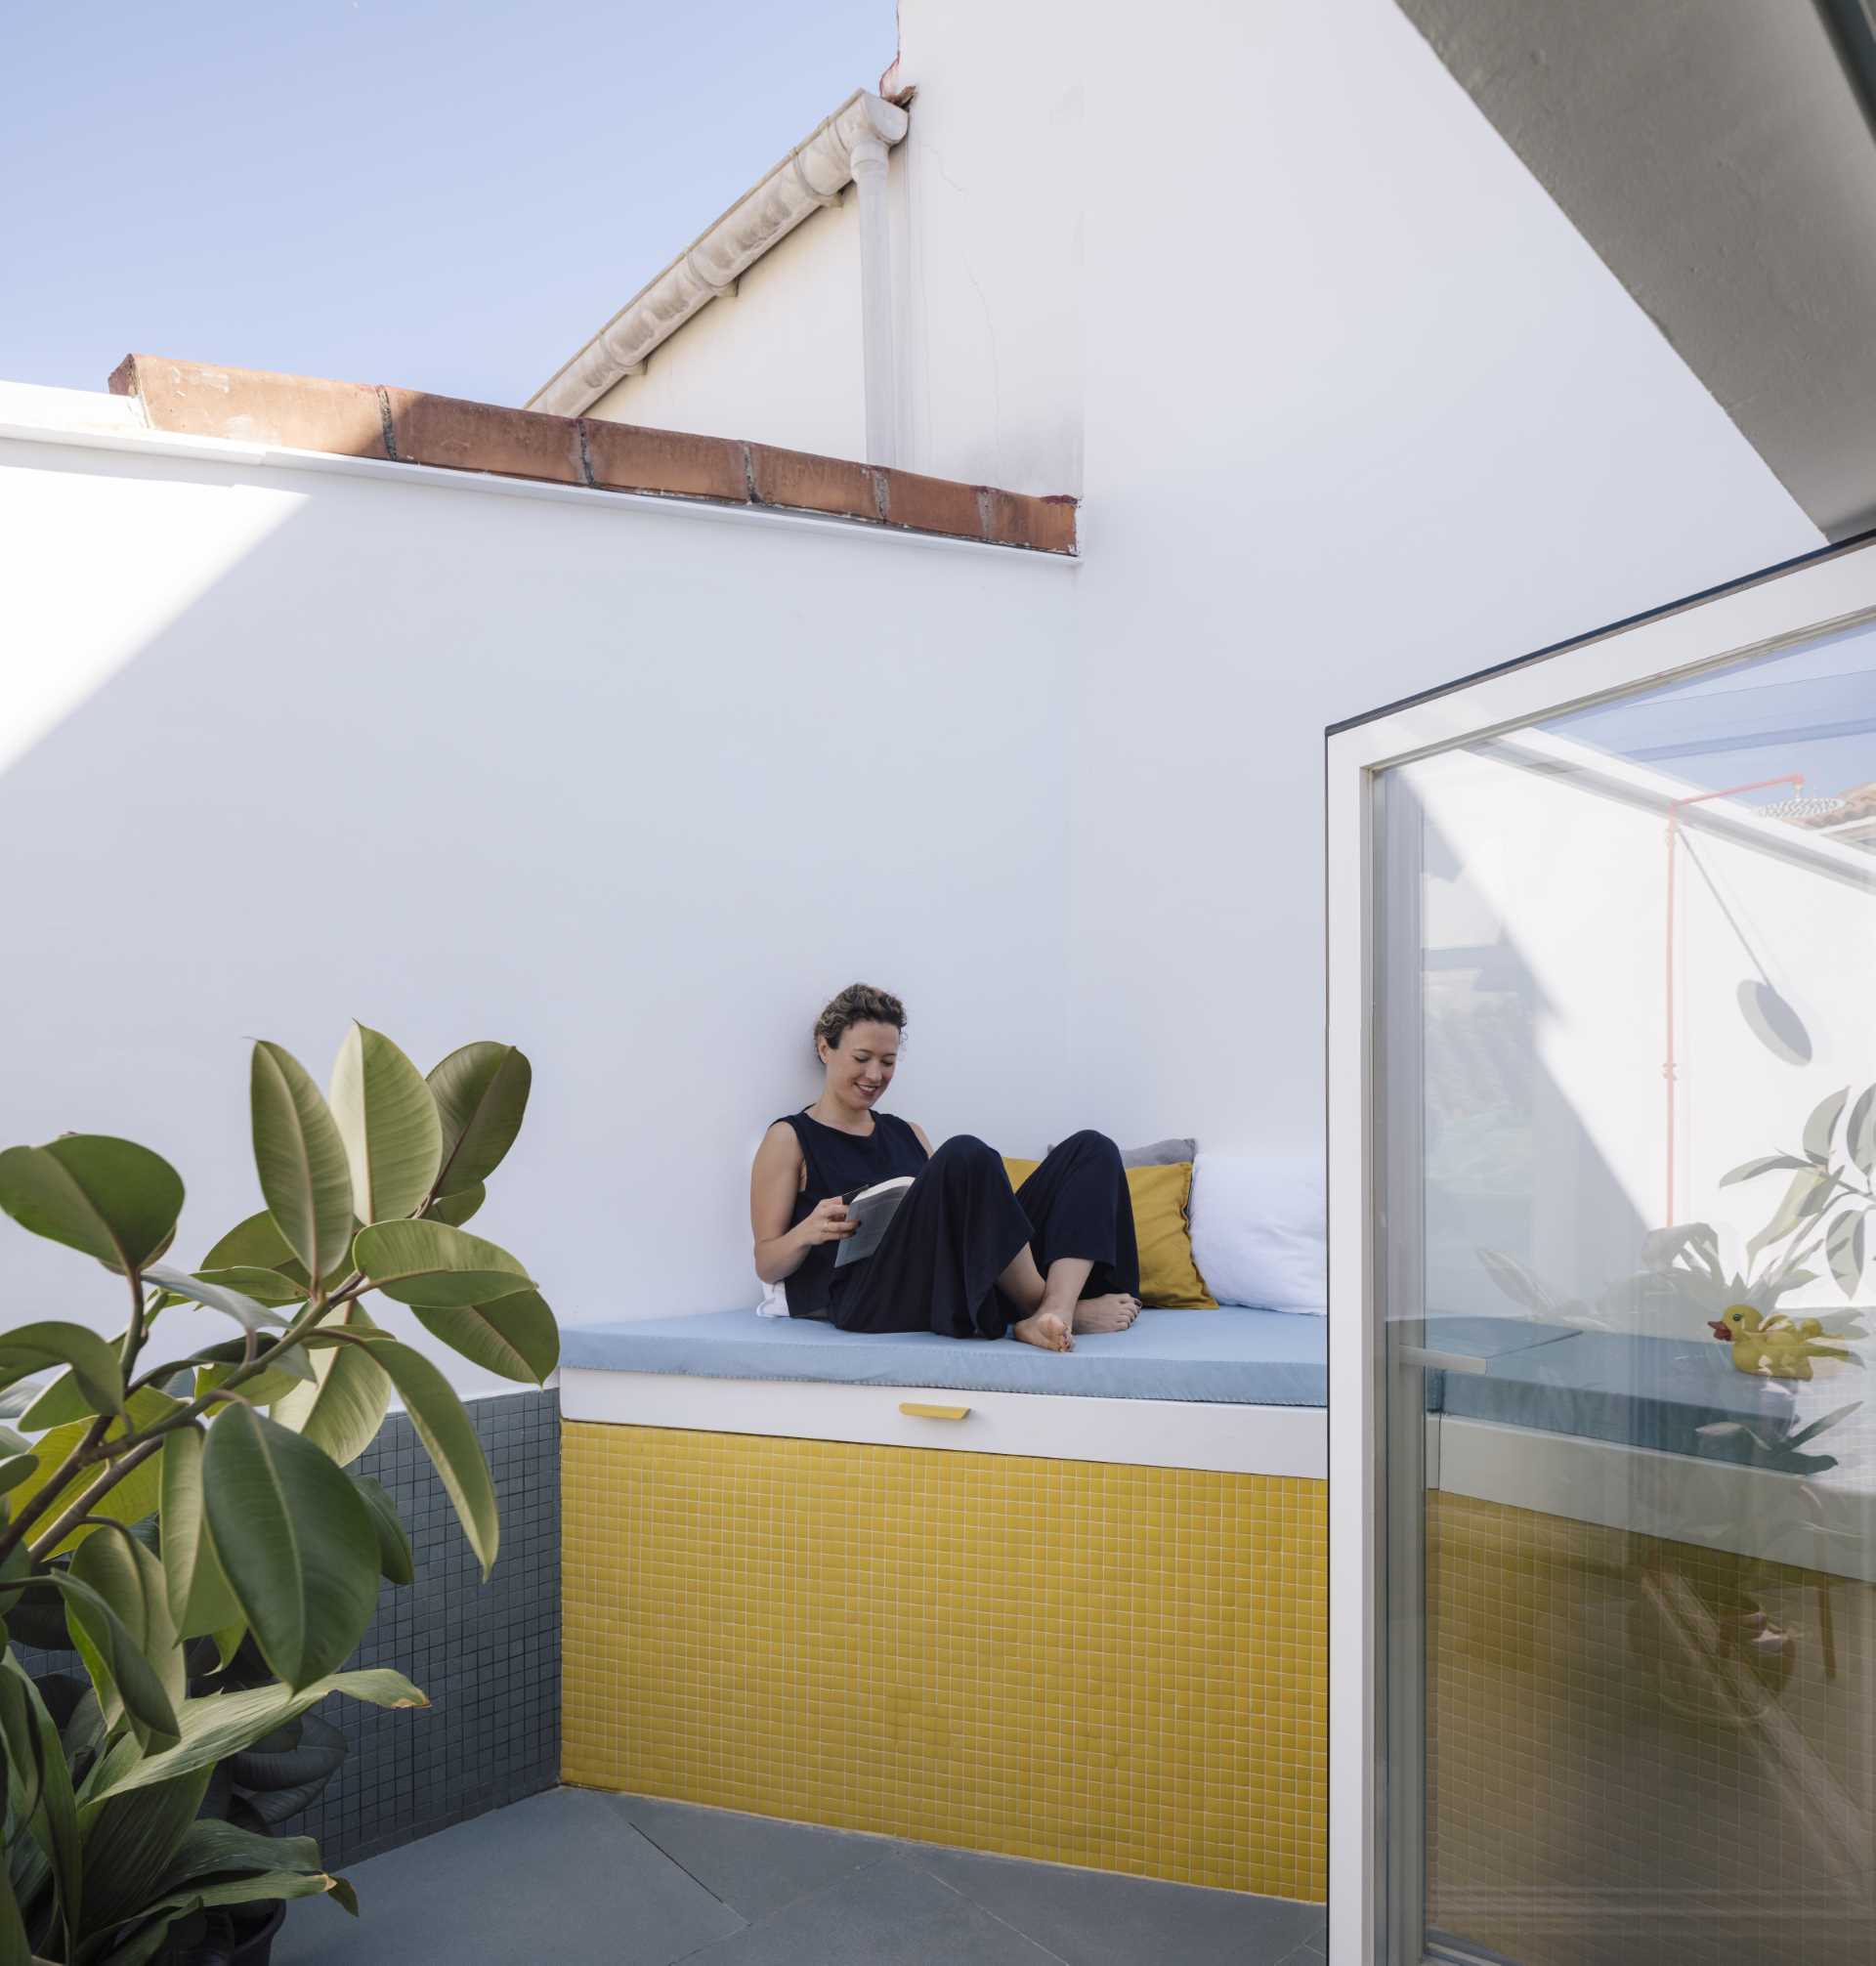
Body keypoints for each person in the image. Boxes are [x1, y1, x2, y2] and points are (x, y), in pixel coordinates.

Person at [749, 983, 1141, 1352]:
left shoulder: (908, 1132)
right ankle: (1054, 1309)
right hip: (865, 1299)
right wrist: (806, 1232)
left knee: (1092, 1148)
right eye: (862, 1058)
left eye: (887, 1062)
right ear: (824, 1049)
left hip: (938, 1278)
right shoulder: (790, 1138)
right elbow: (767, 1263)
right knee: (967, 1155)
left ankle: (1055, 1309)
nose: (875, 1075)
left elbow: (956, 1218)